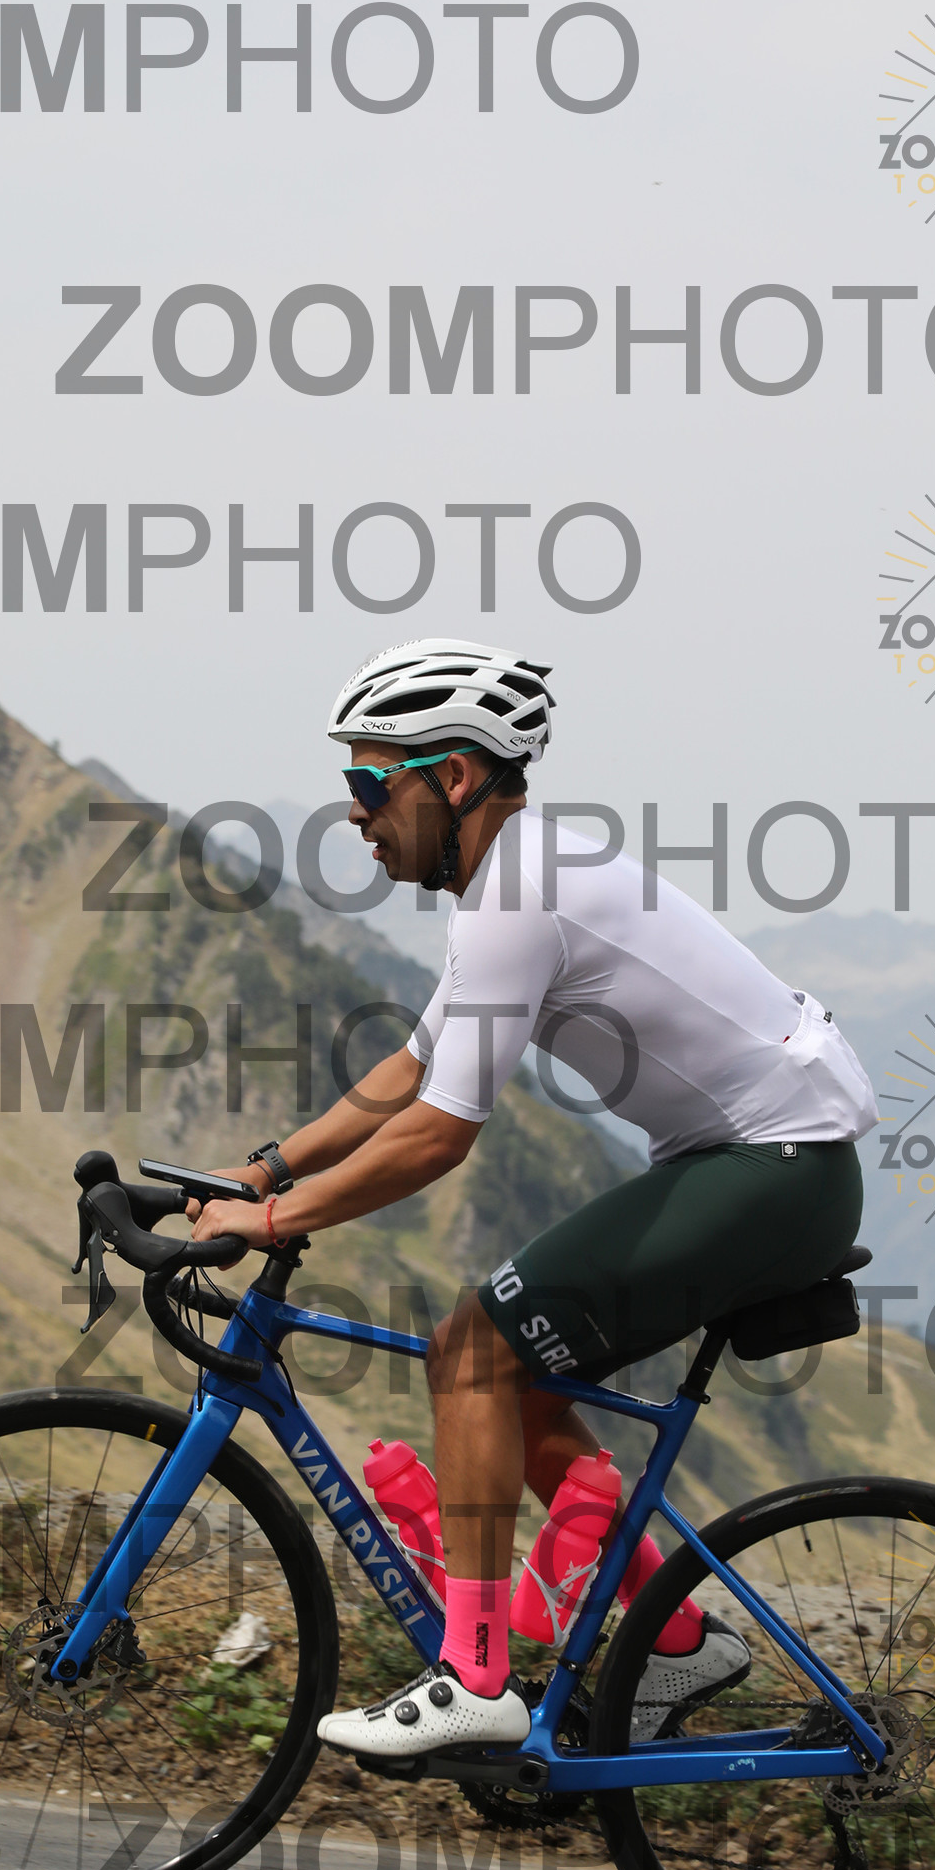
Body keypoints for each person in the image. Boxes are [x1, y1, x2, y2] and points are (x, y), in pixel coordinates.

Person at [191, 639, 878, 1754]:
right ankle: (675, 1640)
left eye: (371, 783)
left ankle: (474, 1677)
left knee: (471, 1353)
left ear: (455, 777)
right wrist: (264, 1170)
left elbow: (438, 1135)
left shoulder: (517, 895)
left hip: (775, 1169)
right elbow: (411, 1069)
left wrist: (267, 1223)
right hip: (762, 1164)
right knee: (516, 1388)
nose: (355, 812)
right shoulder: (511, 882)